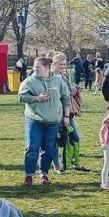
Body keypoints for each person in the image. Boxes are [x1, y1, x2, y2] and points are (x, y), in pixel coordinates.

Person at [17, 57, 70, 186]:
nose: (35, 69)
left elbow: (66, 98)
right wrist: (37, 98)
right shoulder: (29, 81)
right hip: (35, 120)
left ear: (47, 67)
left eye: (38, 67)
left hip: (53, 122)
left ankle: (44, 174)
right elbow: (21, 97)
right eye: (34, 66)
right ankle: (28, 176)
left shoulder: (58, 82)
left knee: (48, 149)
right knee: (32, 148)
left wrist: (66, 116)